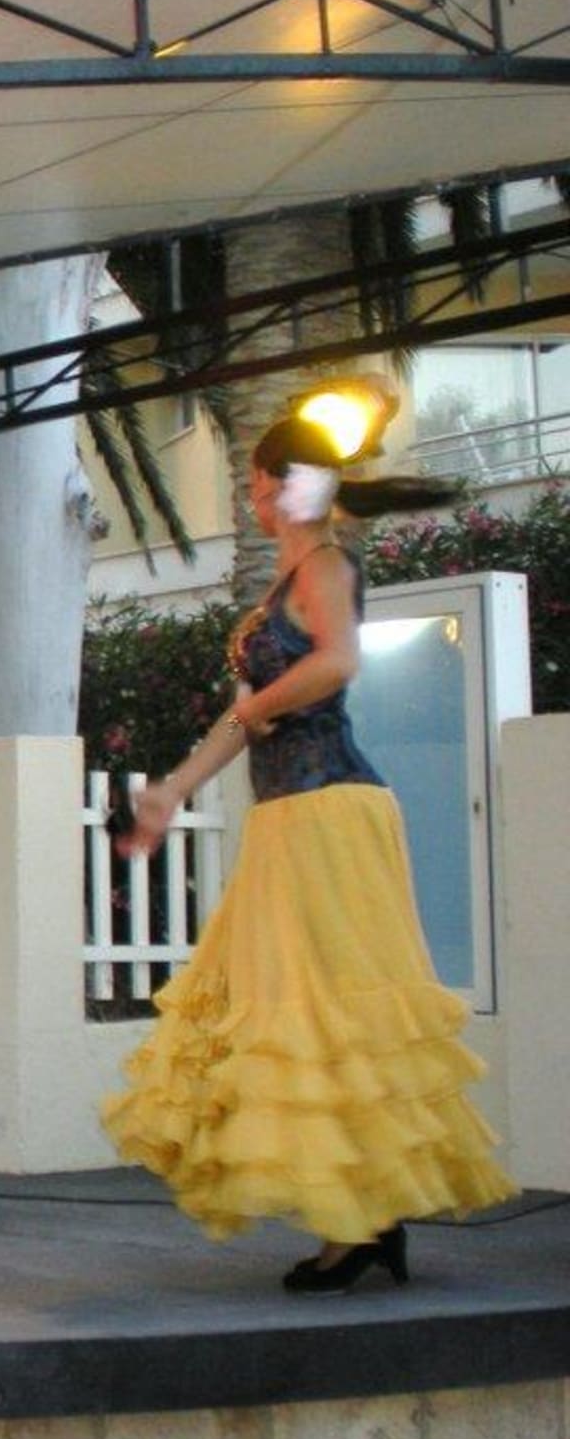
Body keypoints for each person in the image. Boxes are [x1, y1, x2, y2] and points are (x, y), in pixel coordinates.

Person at [101, 415, 514, 1293]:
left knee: (324, 1011)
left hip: (332, 811)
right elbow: (247, 715)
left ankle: (361, 1223)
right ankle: (365, 1218)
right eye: (252, 484)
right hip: (291, 816)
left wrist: (256, 709)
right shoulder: (284, 585)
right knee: (296, 1010)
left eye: (262, 482)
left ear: (296, 487)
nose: (253, 497)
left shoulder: (327, 567)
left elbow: (335, 664)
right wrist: (172, 790)